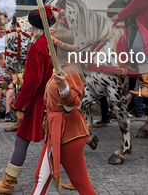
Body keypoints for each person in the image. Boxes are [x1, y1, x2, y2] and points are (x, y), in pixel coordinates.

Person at [0, 6, 55, 194]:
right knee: (59, 140)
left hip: (40, 101)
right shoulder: (52, 43)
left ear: (33, 27)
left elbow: (32, 82)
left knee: (22, 139)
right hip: (54, 99)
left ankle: (8, 183)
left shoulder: (37, 47)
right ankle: (69, 177)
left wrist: (18, 103)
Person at [31, 27, 96, 195]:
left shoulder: (71, 72)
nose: (46, 49)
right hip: (56, 130)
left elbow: (73, 104)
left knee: (81, 184)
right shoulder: (60, 68)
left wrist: (63, 86)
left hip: (69, 133)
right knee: (41, 177)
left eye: (50, 46)